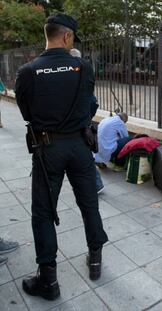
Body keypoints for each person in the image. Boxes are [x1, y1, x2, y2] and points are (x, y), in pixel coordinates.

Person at [15, 13, 108, 301]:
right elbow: (90, 105)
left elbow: (27, 113)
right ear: (67, 37)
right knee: (89, 204)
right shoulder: (84, 67)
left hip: (48, 150)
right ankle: (95, 261)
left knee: (43, 212)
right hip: (80, 147)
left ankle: (49, 281)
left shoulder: (28, 72)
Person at [70, 48, 104, 193]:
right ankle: (94, 184)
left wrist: (85, 119)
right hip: (80, 124)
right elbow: (93, 102)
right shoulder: (82, 73)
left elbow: (92, 101)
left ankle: (96, 184)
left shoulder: (77, 75)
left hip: (78, 126)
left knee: (85, 158)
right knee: (84, 157)